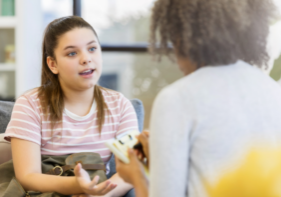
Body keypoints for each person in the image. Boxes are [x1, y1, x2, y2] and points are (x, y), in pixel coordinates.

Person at [115, 0, 281, 197]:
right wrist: (161, 158)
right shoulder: (272, 90)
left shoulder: (177, 98)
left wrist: (136, 175)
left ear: (183, 35)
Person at [3, 16, 139, 197]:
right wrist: (78, 185)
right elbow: (27, 176)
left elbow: (130, 172)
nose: (86, 59)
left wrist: (100, 193)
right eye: (72, 53)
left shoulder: (121, 105)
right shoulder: (30, 104)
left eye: (92, 49)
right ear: (53, 64)